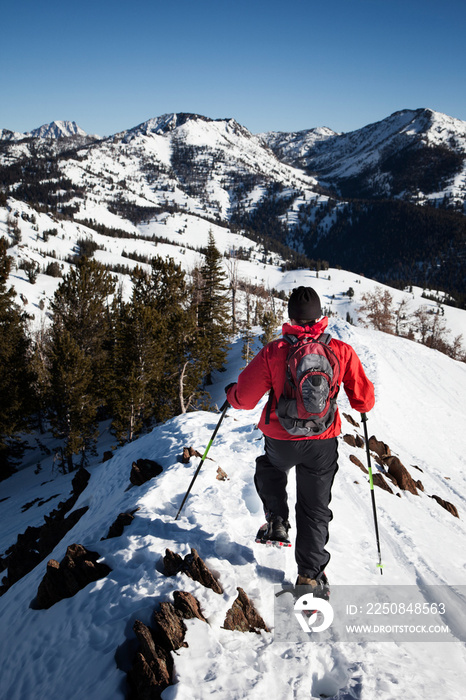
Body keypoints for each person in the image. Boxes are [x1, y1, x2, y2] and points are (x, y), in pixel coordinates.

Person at [225, 286, 375, 595]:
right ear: (321, 317)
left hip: (281, 440)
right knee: (315, 508)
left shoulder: (274, 351)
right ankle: (309, 576)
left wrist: (230, 393)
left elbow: (244, 398)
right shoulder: (341, 351)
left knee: (269, 466)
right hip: (322, 443)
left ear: (291, 317)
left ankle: (277, 519)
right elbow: (364, 401)